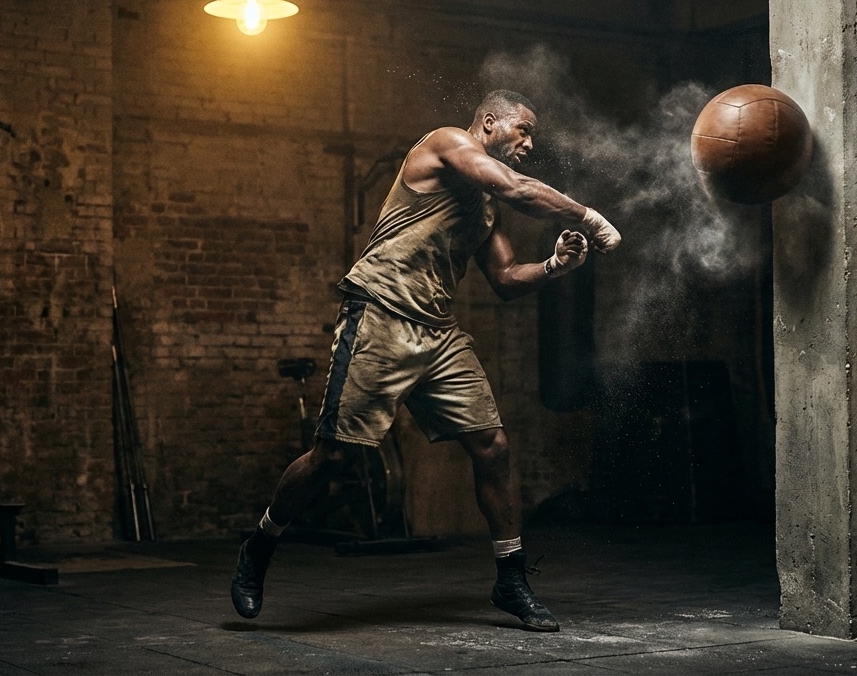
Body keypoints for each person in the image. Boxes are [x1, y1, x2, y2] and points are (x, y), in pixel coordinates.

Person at [231, 89, 622, 632]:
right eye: (523, 131)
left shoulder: (483, 207)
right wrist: (589, 216)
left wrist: (554, 266)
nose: (529, 144)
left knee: (494, 446)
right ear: (490, 123)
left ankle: (510, 580)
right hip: (380, 314)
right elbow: (516, 188)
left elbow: (506, 280)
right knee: (334, 458)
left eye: (532, 137)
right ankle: (260, 544)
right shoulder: (447, 143)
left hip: (437, 334)